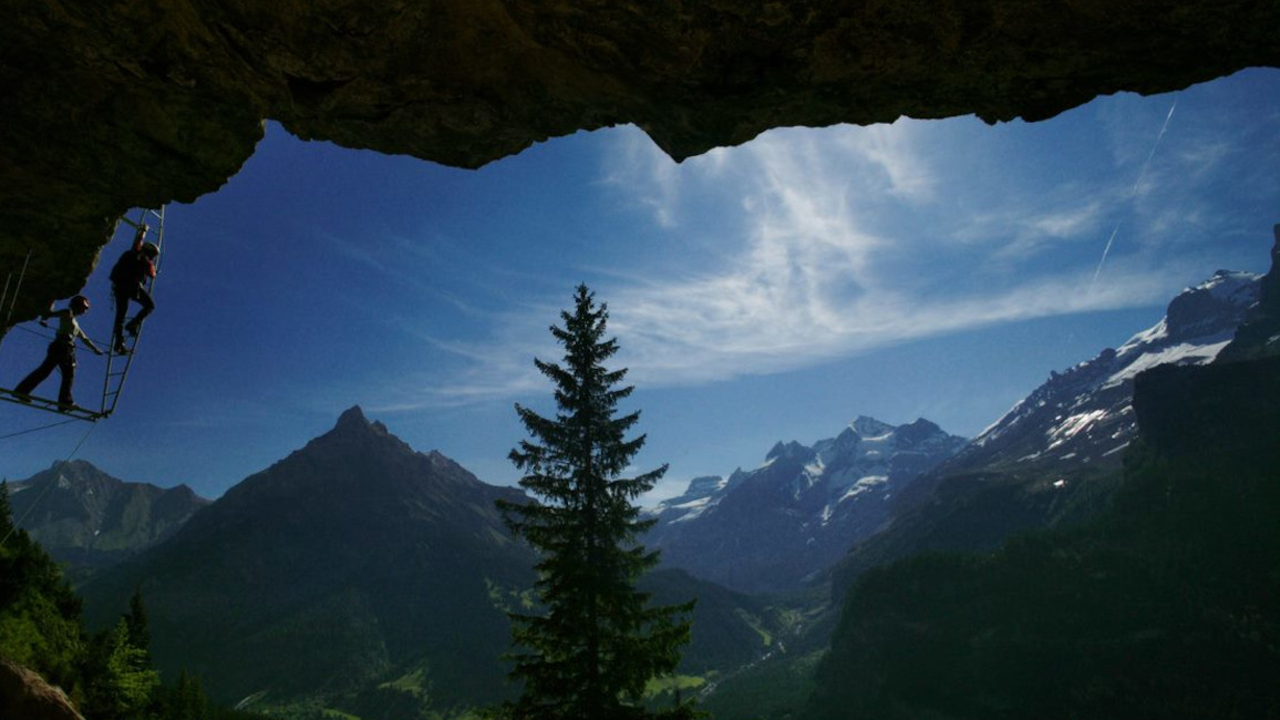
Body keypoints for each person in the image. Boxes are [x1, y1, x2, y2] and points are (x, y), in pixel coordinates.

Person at [14, 295, 103, 409]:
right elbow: (52, 314)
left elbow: (84, 338)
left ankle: (22, 391)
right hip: (63, 348)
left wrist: (95, 349)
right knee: (68, 374)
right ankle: (65, 402)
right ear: (78, 306)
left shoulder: (74, 322)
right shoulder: (68, 312)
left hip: (60, 347)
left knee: (45, 371)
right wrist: (45, 319)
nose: (85, 311)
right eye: (84, 308)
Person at [109, 224, 158, 354]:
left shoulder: (133, 253)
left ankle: (119, 342)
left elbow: (138, 241)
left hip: (120, 287)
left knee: (120, 316)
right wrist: (153, 269)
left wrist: (143, 231)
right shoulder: (145, 260)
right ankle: (133, 324)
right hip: (132, 287)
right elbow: (152, 275)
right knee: (150, 306)